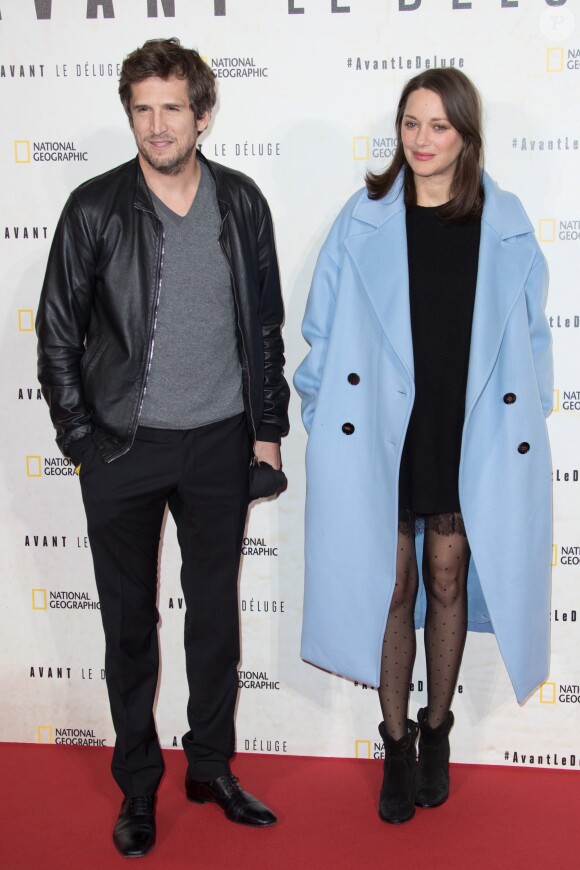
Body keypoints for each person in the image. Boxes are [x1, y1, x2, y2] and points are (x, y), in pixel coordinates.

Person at [37, 38, 289, 858]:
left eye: (171, 107)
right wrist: (84, 443)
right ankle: (138, 787)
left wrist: (267, 433)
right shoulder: (94, 208)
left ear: (203, 114)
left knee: (214, 621)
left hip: (219, 444)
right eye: (142, 108)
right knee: (128, 628)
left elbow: (263, 329)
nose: (156, 124)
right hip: (122, 450)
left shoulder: (242, 203)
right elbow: (57, 336)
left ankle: (210, 767)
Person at [294, 68, 552, 824]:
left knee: (447, 582)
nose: (422, 139)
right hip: (381, 432)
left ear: (466, 135)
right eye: (411, 123)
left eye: (439, 125)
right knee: (392, 585)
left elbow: (532, 343)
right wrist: (323, 416)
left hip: (462, 428)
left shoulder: (502, 223)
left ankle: (437, 729)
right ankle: (396, 741)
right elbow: (319, 328)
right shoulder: (364, 216)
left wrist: (519, 430)